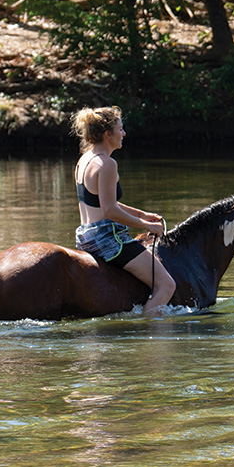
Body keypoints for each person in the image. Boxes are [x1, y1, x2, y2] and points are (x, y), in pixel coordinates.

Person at [72, 107, 176, 313]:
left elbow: (101, 203)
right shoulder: (107, 164)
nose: (124, 133)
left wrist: (141, 214)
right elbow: (110, 211)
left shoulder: (84, 160)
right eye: (120, 129)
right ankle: (146, 334)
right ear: (107, 134)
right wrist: (147, 226)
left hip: (85, 236)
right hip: (108, 240)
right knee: (166, 285)